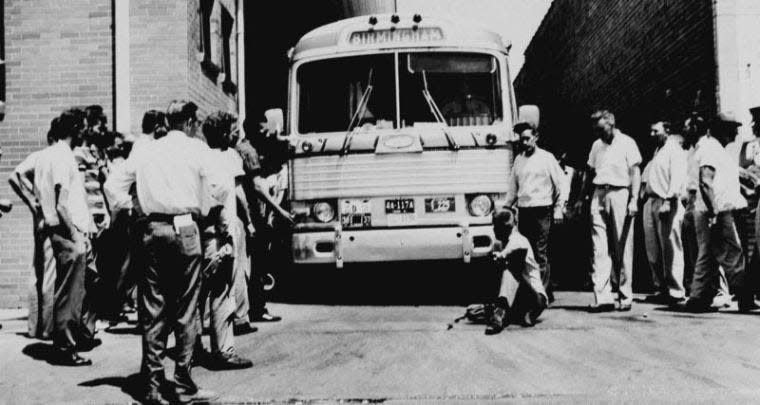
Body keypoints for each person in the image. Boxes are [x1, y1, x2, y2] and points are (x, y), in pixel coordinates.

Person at [105, 100, 223, 404]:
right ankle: (183, 384)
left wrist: (133, 208)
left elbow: (113, 184)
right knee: (185, 309)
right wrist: (205, 208)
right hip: (185, 227)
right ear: (191, 122)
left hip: (152, 229)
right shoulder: (197, 150)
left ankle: (154, 386)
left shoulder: (146, 149)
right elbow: (219, 187)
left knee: (153, 308)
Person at [33, 109, 98, 365]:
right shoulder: (63, 156)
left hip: (57, 227)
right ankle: (66, 348)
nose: (85, 132)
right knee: (70, 293)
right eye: (82, 128)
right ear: (74, 130)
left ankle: (74, 338)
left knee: (73, 288)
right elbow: (62, 203)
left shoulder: (45, 155)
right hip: (67, 229)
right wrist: (76, 235)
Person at [195, 111, 254, 369]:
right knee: (221, 293)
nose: (235, 134)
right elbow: (226, 198)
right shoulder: (224, 159)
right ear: (222, 133)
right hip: (219, 232)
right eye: (231, 130)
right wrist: (233, 232)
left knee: (196, 295)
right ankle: (223, 351)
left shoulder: (199, 156)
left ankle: (194, 347)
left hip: (198, 232)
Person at [680, 112, 755, 312]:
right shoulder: (710, 148)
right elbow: (706, 181)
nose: (737, 132)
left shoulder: (714, 148)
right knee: (733, 253)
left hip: (712, 210)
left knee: (708, 255)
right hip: (716, 211)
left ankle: (698, 297)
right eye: (733, 128)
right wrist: (714, 212)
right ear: (720, 129)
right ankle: (745, 297)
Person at [575, 110, 642, 312]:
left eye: (601, 128)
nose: (598, 132)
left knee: (622, 245)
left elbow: (635, 172)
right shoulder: (596, 145)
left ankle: (625, 295)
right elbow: (589, 173)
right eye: (595, 128)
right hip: (598, 194)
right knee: (599, 247)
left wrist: (634, 200)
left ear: (611, 123)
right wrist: (580, 199)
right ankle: (603, 297)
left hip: (619, 193)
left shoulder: (627, 142)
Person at [235, 118, 293, 325]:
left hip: (242, 214)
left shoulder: (237, 148)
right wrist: (279, 210)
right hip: (252, 214)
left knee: (247, 263)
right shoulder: (249, 152)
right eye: (263, 126)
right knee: (259, 263)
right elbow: (257, 187)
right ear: (255, 129)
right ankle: (257, 309)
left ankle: (248, 308)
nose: (267, 131)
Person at [505, 112, 565, 303]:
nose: (523, 142)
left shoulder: (547, 158)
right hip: (525, 211)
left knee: (540, 253)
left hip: (542, 210)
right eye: (521, 139)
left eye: (527, 138)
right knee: (526, 252)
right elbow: (513, 187)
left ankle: (542, 296)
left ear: (536, 137)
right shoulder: (519, 160)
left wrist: (558, 208)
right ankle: (534, 290)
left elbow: (561, 184)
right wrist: (507, 206)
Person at [8, 118, 57, 339]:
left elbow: (16, 175)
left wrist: (30, 200)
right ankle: (47, 328)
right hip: (48, 218)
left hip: (39, 219)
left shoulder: (39, 157)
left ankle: (34, 325)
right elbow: (15, 175)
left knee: (37, 271)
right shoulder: (47, 156)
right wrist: (32, 201)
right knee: (48, 273)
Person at [641, 121, 688, 305]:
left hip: (667, 202)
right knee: (653, 248)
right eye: (651, 131)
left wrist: (669, 200)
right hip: (651, 201)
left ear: (667, 131)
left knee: (670, 247)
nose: (652, 134)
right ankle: (660, 287)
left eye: (656, 131)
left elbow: (677, 176)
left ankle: (676, 291)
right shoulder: (658, 151)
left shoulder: (674, 150)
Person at [485, 208, 548, 335]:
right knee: (475, 311)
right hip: (518, 296)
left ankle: (500, 312)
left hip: (535, 297)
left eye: (496, 227)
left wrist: (501, 256)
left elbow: (515, 251)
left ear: (505, 228)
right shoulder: (501, 243)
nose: (494, 230)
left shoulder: (519, 240)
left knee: (511, 269)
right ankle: (501, 308)